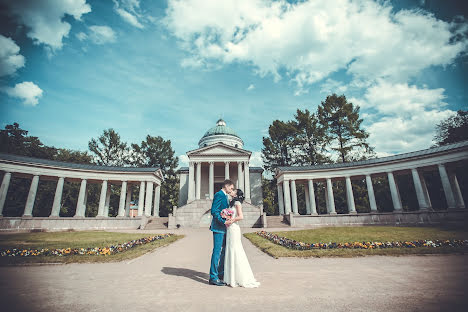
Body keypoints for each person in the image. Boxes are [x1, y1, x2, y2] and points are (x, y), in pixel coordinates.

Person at [223, 188, 260, 288]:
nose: (231, 191)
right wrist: (226, 217)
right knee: (230, 250)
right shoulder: (231, 203)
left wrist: (231, 220)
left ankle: (239, 277)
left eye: (233, 190)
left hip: (234, 228)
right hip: (230, 228)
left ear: (236, 194)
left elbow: (241, 216)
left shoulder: (238, 203)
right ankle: (231, 277)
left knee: (235, 249)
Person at [208, 179, 235, 286]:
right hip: (218, 228)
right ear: (226, 186)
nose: (232, 190)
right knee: (217, 252)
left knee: (223, 251)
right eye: (231, 188)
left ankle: (220, 274)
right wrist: (224, 221)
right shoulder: (219, 194)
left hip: (224, 228)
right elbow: (214, 211)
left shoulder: (225, 196)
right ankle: (213, 277)